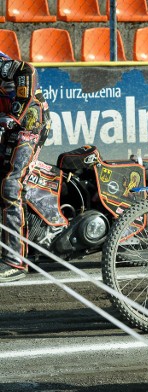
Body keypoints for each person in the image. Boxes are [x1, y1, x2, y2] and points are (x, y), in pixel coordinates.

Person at [0, 52, 51, 282]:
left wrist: (15, 114)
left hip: (29, 124)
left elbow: (26, 70)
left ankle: (15, 261)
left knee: (11, 185)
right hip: (8, 126)